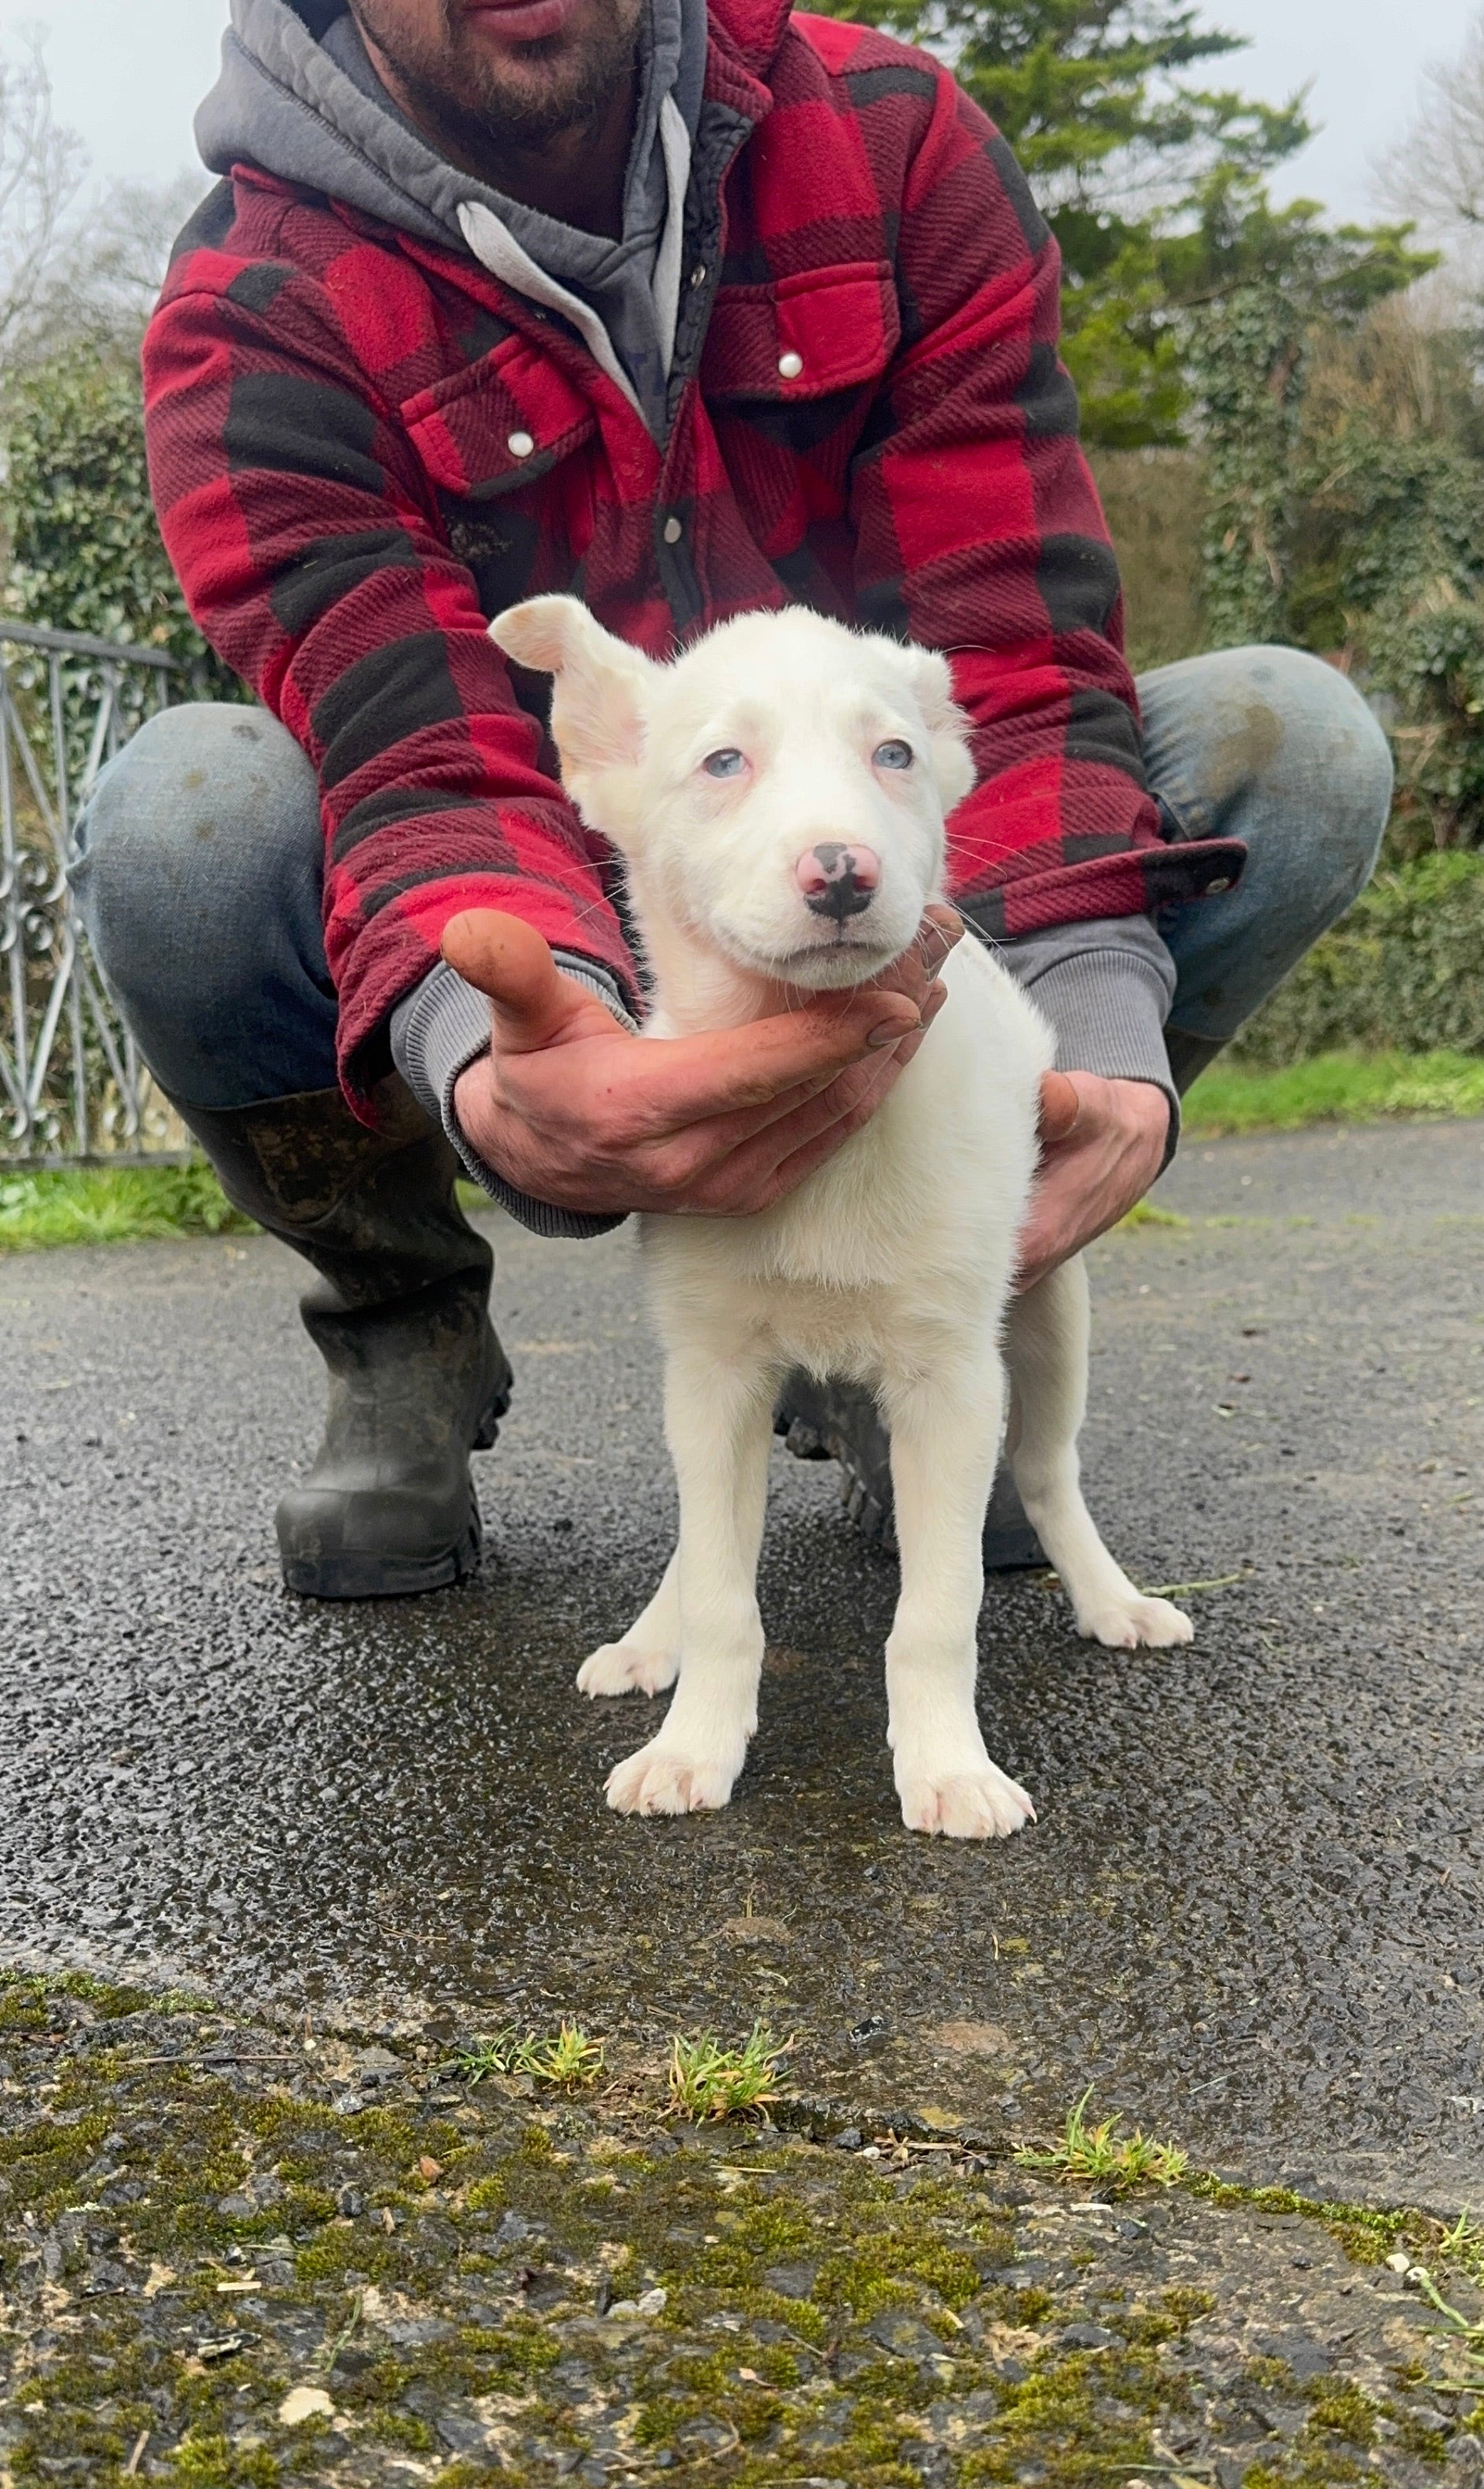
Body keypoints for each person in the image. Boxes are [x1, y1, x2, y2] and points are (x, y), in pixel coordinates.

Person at [76, 0, 1394, 1597]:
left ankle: (896, 1293)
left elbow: (1012, 645)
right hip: (548, 876)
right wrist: (506, 1045)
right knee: (179, 826)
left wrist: (1095, 1009)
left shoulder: (897, 140)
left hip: (857, 851)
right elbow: (411, 750)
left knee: (1297, 746)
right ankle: (398, 1321)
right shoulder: (252, 305)